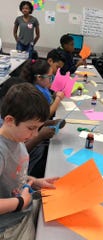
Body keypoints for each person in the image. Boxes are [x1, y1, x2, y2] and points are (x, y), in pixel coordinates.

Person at [0, 83, 58, 239]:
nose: (34, 135)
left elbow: (13, 174)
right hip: (9, 226)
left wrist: (35, 181)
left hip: (23, 209)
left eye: (38, 128)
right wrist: (20, 202)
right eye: (31, 128)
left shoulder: (17, 138)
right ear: (10, 120)